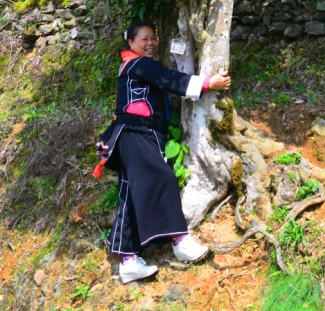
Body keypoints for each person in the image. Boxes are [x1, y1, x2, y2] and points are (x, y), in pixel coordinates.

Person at [92, 20, 231, 284]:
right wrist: (207, 83)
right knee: (164, 177)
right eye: (144, 38)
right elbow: (169, 80)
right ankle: (180, 241)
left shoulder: (134, 66)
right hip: (135, 132)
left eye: (153, 38)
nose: (150, 42)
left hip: (134, 135)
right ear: (130, 43)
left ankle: (129, 261)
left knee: (132, 193)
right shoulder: (138, 64)